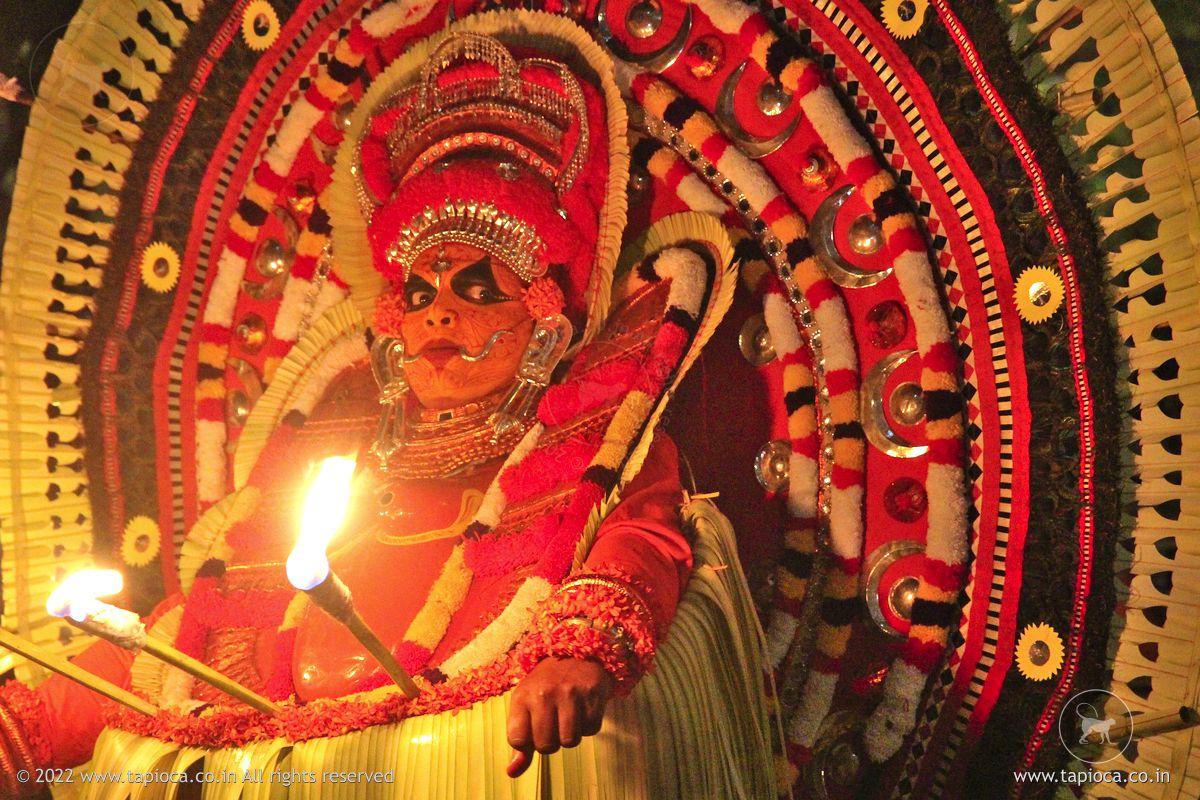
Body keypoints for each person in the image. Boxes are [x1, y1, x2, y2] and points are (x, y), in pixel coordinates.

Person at [0, 13, 776, 799]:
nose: (438, 314)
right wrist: (19, 725)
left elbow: (638, 543)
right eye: (420, 293)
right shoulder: (329, 469)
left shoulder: (596, 447)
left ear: (547, 321)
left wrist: (580, 650)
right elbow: (176, 646)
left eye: (477, 291)